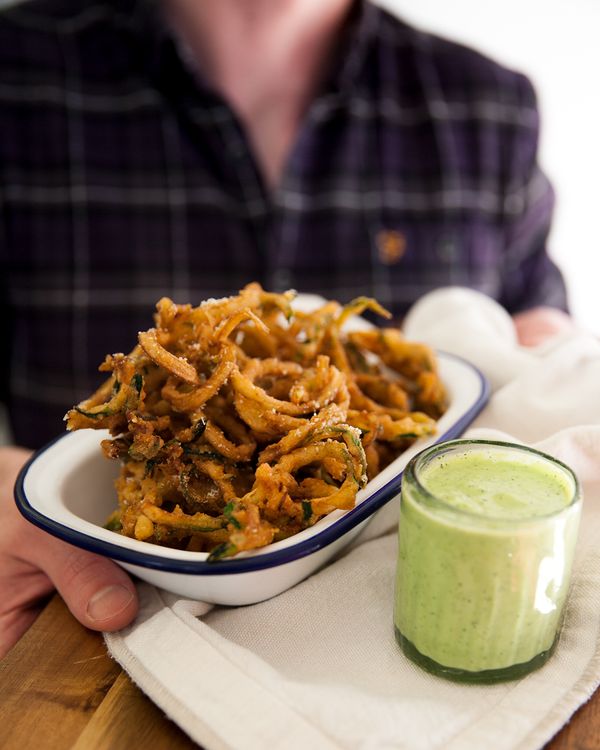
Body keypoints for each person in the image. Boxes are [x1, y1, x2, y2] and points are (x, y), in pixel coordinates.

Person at [0, 0, 575, 656]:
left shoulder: (490, 109)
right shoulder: (15, 80)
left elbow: (541, 358)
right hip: (76, 633)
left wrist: (547, 353)